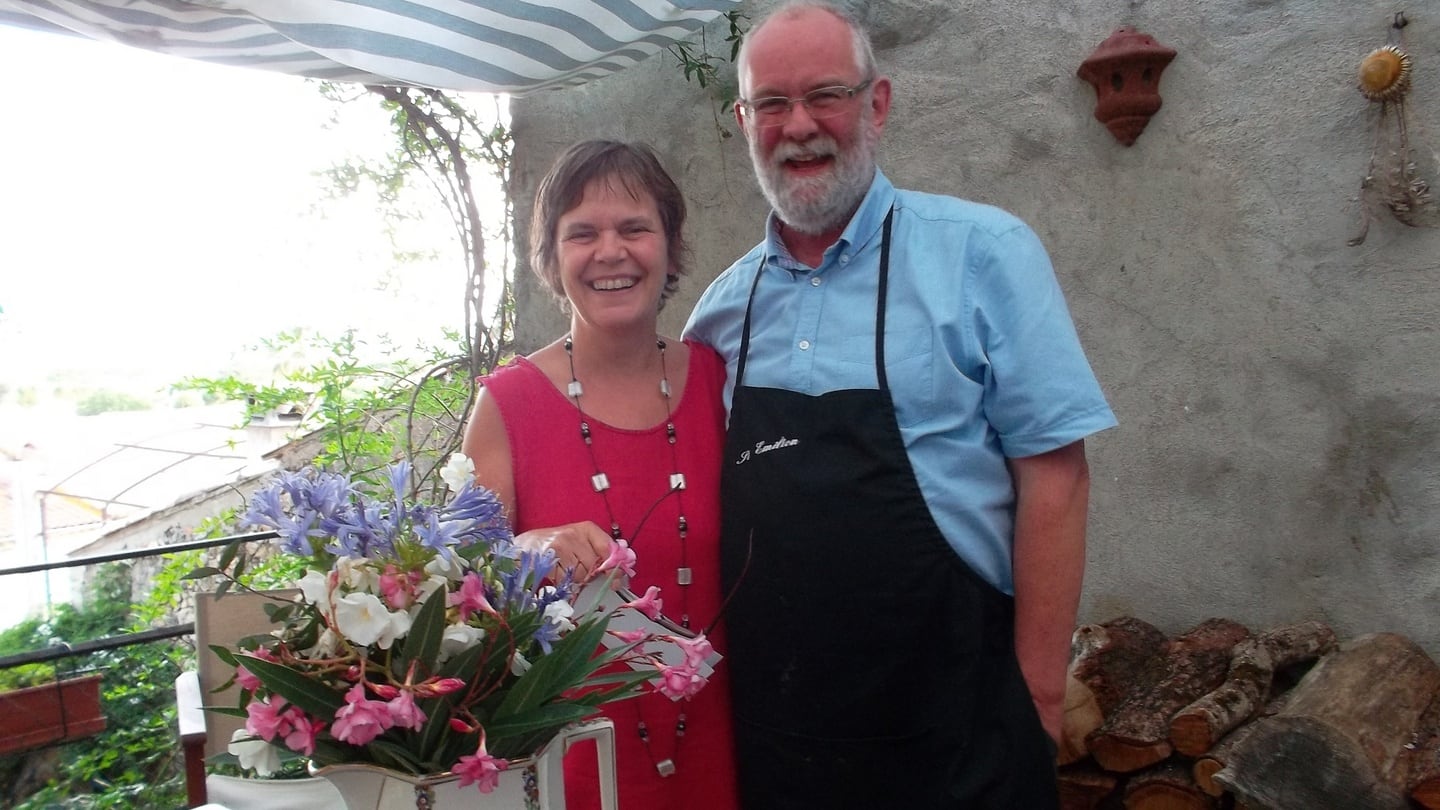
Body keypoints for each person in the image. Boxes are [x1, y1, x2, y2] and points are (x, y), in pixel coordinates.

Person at [682, 3, 1118, 807]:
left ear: (876, 104)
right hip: (783, 744)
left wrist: (1039, 699)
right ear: (744, 121)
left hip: (961, 735)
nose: (799, 126)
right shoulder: (719, 312)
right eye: (772, 104)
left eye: (827, 95)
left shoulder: (983, 255)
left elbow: (1057, 478)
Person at [461, 140, 738, 810]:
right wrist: (525, 551)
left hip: (719, 753)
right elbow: (459, 606)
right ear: (552, 258)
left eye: (634, 228)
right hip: (573, 769)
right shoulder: (505, 406)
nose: (610, 251)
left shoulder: (717, 381)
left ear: (669, 246)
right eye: (582, 232)